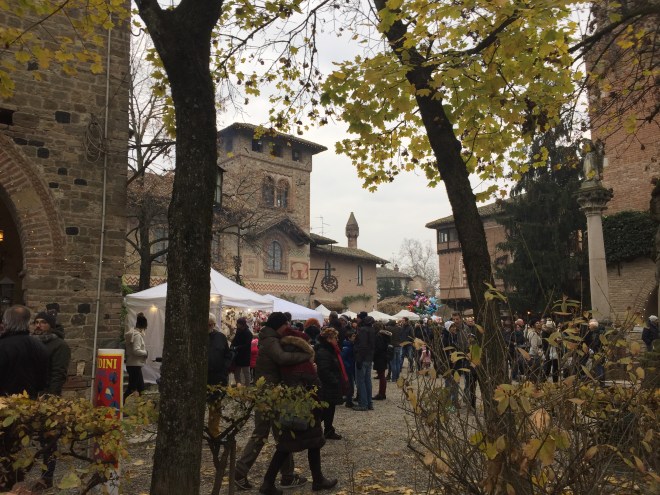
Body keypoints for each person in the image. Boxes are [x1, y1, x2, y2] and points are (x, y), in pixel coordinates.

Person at [234, 312, 311, 491]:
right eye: (286, 324)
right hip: (269, 393)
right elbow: (282, 358)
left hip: (269, 392)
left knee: (280, 432)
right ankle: (240, 472)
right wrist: (306, 355)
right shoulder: (271, 341)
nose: (288, 327)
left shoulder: (268, 338)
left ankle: (287, 475)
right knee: (267, 433)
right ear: (279, 325)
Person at [259, 326, 337, 495]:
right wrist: (319, 406)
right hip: (305, 407)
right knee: (309, 443)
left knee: (288, 445)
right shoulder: (303, 362)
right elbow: (314, 385)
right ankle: (316, 480)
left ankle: (270, 482)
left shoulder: (285, 359)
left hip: (289, 406)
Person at [0, 306, 49, 491]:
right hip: (28, 406)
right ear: (28, 322)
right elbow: (43, 381)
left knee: (4, 449)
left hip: (3, 406)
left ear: (6, 322)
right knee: (19, 448)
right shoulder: (39, 346)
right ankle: (14, 484)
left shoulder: (2, 346)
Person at [32, 309, 71, 489]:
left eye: (43, 322)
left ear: (51, 325)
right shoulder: (33, 342)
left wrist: (50, 398)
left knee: (48, 439)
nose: (39, 325)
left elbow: (58, 374)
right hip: (30, 395)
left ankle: (47, 477)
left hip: (47, 397)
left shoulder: (59, 346)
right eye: (36, 322)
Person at [314, 327, 347, 439]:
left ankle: (328, 430)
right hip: (327, 386)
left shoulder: (330, 350)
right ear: (328, 339)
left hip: (330, 385)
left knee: (329, 409)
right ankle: (319, 430)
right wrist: (335, 381)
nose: (337, 340)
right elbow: (324, 370)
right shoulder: (324, 352)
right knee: (325, 410)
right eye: (335, 338)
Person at [207, 313, 233, 437]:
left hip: (217, 377)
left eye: (210, 324)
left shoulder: (220, 337)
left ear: (213, 324)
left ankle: (214, 432)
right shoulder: (196, 337)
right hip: (201, 378)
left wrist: (225, 369)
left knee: (215, 406)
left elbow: (228, 355)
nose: (208, 327)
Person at [353, 314, 376, 411]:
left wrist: (359, 359)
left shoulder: (363, 330)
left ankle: (363, 404)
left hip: (362, 358)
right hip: (369, 358)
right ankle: (369, 403)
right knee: (367, 381)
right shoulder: (372, 330)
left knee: (361, 382)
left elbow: (362, 346)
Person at [125, 312, 148, 400]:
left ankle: (141, 406)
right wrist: (145, 353)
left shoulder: (132, 334)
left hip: (133, 364)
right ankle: (122, 403)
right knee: (132, 389)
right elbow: (136, 351)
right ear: (143, 327)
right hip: (135, 365)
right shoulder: (137, 336)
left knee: (140, 388)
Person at [372, 322, 392, 400]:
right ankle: (382, 393)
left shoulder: (378, 336)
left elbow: (379, 347)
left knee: (381, 375)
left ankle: (381, 394)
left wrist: (373, 355)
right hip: (384, 356)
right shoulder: (385, 335)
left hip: (380, 357)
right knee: (382, 375)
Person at [232, 317, 253, 386]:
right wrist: (232, 346)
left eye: (238, 323)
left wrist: (237, 347)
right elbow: (235, 340)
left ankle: (247, 387)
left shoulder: (248, 333)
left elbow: (247, 345)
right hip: (237, 355)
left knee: (246, 373)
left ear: (242, 324)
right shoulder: (238, 331)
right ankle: (238, 386)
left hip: (245, 356)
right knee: (236, 372)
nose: (236, 325)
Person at [340, 330, 357, 408]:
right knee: (349, 384)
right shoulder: (347, 346)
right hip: (348, 368)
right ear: (349, 337)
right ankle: (348, 401)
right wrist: (348, 365)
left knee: (351, 384)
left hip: (351, 367)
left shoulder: (351, 345)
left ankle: (349, 399)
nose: (355, 337)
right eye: (353, 336)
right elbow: (343, 357)